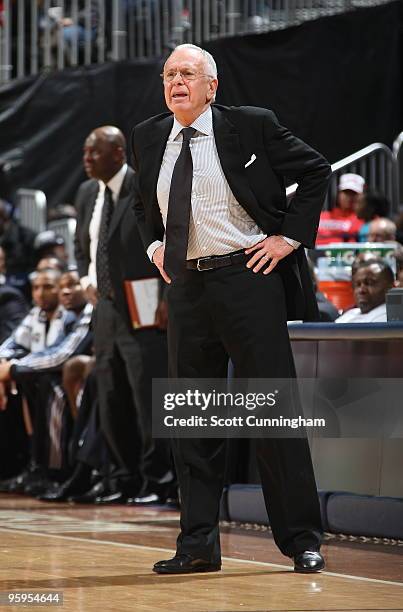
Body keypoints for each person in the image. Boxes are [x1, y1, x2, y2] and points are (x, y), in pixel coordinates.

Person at [131, 43, 331, 574]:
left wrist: (288, 237)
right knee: (192, 419)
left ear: (211, 86)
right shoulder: (149, 136)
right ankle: (197, 545)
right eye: (169, 74)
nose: (177, 82)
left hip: (249, 278)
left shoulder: (250, 125)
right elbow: (141, 204)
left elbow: (316, 171)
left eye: (188, 74)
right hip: (188, 289)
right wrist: (154, 248)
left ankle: (302, 539)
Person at [74, 126, 172, 505]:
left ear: (118, 153)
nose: (86, 159)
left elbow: (167, 239)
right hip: (106, 309)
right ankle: (123, 478)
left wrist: (166, 294)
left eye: (93, 152)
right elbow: (84, 246)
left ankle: (157, 480)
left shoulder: (142, 184)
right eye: (85, 152)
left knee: (147, 395)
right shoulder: (87, 194)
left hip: (144, 301)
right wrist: (86, 278)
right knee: (111, 395)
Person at [316, 173, 364, 245]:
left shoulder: (363, 220)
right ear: (339, 193)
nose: (349, 197)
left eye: (353, 193)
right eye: (346, 192)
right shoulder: (321, 216)